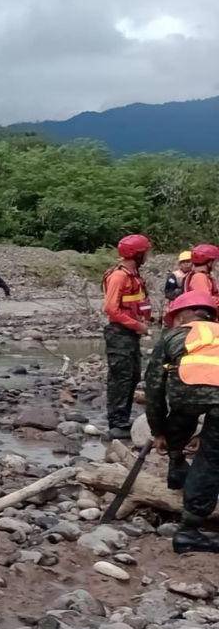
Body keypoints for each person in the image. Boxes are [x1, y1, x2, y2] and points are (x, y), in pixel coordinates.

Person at [145, 290, 219, 554]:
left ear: (183, 315)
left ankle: (176, 464)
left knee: (181, 413)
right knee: (211, 458)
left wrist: (158, 432)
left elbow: (154, 389)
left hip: (184, 395)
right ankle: (189, 530)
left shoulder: (172, 337)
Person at [103, 233, 152, 440]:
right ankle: (117, 422)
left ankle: (122, 418)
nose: (148, 255)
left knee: (132, 376)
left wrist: (144, 321)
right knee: (121, 378)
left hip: (130, 333)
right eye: (145, 252)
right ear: (136, 254)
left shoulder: (134, 275)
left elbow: (138, 302)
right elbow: (111, 309)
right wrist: (138, 325)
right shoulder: (119, 276)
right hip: (119, 333)